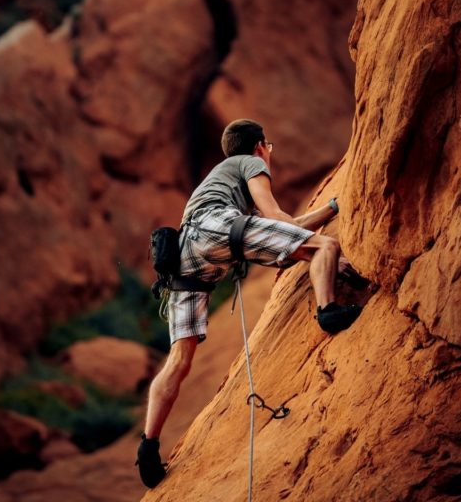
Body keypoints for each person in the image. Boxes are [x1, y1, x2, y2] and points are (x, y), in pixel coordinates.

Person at [136, 119, 363, 488]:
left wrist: (333, 208)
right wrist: (331, 253)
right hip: (220, 229)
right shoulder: (250, 163)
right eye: (267, 147)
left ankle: (148, 447)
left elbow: (282, 230)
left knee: (180, 359)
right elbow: (276, 217)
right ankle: (328, 311)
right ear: (259, 146)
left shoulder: (220, 181)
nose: (268, 154)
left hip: (187, 257)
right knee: (325, 247)